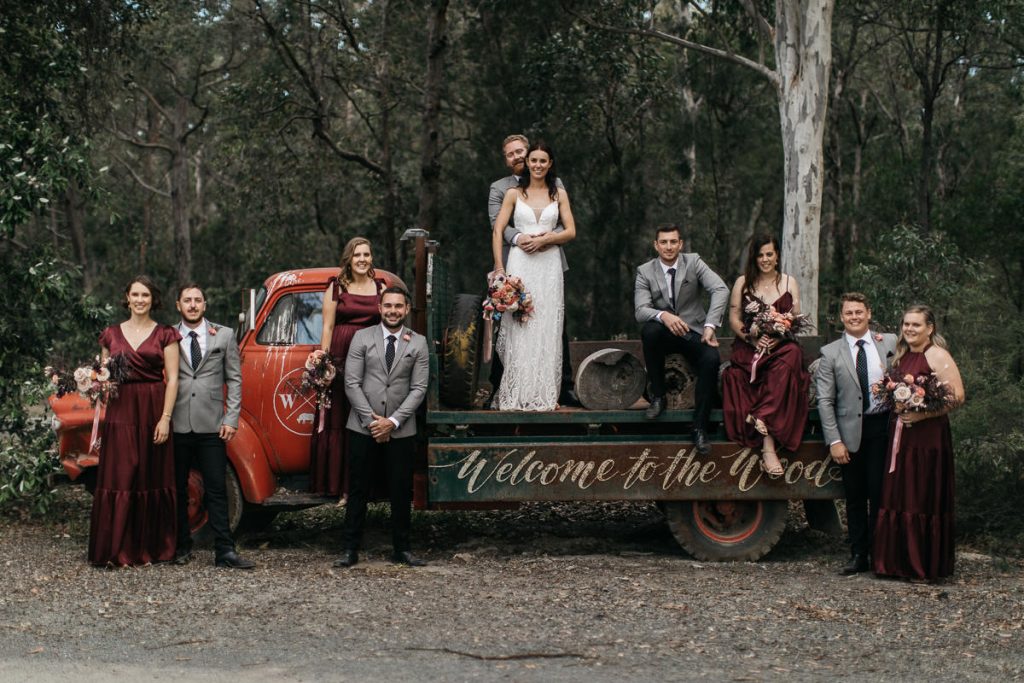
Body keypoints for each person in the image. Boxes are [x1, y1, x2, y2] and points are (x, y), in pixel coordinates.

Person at [334, 286, 429, 568]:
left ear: (407, 309)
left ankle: (402, 549)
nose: (393, 311)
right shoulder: (362, 338)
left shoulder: (418, 343)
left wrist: (393, 422)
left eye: (398, 306)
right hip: (364, 426)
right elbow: (351, 382)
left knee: (400, 491)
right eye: (388, 306)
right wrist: (373, 421)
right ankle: (350, 549)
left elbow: (419, 387)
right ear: (379, 307)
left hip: (401, 428)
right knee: (358, 488)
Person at [89, 276, 181, 567]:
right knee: (121, 475)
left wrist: (165, 419)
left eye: (146, 295)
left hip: (153, 409)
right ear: (126, 298)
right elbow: (103, 376)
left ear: (153, 299)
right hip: (121, 412)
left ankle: (153, 549)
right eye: (135, 294)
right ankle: (115, 548)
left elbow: (174, 378)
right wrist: (91, 383)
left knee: (151, 476)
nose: (140, 300)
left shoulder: (166, 334)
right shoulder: (111, 334)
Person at [487, 134, 579, 408]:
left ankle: (549, 391)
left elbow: (570, 229)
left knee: (549, 326)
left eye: (541, 160)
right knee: (518, 323)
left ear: (549, 163)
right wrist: (502, 268)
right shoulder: (507, 191)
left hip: (549, 264)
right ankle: (513, 389)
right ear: (522, 162)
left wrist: (545, 239)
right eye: (512, 154)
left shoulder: (558, 190)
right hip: (520, 263)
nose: (536, 164)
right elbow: (498, 228)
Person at [873, 304, 964, 582]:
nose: (909, 329)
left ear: (930, 328)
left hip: (928, 438)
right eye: (906, 324)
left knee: (920, 493)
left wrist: (922, 414)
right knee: (900, 493)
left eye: (916, 325)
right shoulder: (902, 355)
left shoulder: (937, 355)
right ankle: (895, 563)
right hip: (902, 437)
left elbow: (957, 396)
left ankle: (921, 564)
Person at [171, 284, 254, 569]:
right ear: (178, 305)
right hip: (177, 422)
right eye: (187, 301)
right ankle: (181, 546)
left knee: (217, 489)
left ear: (204, 305)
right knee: (177, 488)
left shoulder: (225, 334)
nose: (192, 305)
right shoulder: (167, 336)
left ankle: (225, 551)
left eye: (197, 300)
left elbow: (234, 379)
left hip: (212, 425)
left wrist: (231, 419)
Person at [815, 293, 897, 574]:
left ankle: (881, 554)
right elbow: (825, 401)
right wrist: (834, 440)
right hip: (849, 434)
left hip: (883, 427)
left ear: (868, 314)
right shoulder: (831, 352)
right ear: (841, 317)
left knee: (880, 494)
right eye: (849, 313)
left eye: (859, 312)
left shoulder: (890, 342)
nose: (854, 317)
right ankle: (858, 554)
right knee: (855, 497)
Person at [634, 224, 728, 456]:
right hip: (664, 334)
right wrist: (664, 315)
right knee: (650, 331)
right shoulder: (645, 271)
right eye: (663, 242)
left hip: (693, 331)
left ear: (681, 244)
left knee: (711, 358)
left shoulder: (693, 262)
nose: (668, 246)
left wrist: (709, 325)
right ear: (656, 245)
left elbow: (720, 289)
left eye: (673, 242)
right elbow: (640, 310)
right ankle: (658, 396)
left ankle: (699, 428)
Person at [721, 234, 810, 475]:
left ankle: (762, 420)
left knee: (791, 356)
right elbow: (734, 319)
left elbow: (795, 319)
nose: (765, 259)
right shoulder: (743, 282)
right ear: (754, 257)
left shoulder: (790, 282)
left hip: (781, 346)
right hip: (750, 349)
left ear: (777, 255)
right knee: (739, 374)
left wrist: (779, 334)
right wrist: (751, 336)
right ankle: (768, 443)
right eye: (760, 255)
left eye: (769, 254)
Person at [309, 237, 385, 497]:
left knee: (366, 418)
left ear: (371, 258)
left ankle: (365, 488)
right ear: (349, 260)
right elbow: (328, 327)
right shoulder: (336, 287)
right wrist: (324, 364)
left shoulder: (381, 287)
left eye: (366, 254)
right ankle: (339, 488)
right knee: (340, 420)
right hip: (341, 358)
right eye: (357, 255)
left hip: (372, 358)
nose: (362, 259)